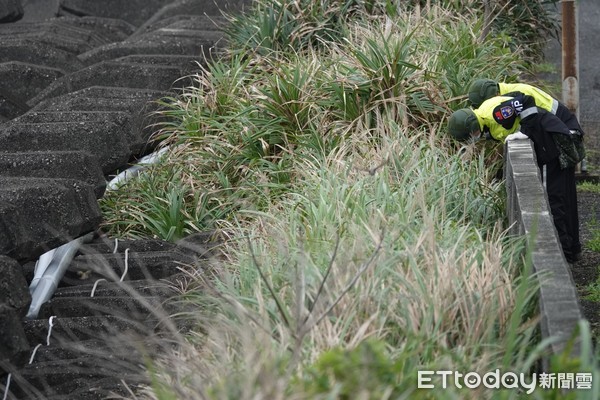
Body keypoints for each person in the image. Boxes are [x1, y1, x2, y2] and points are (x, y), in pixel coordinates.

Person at [447, 92, 583, 263]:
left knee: (553, 200)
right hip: (545, 143)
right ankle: (570, 250)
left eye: (471, 135)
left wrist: (524, 131)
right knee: (560, 197)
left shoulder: (496, 113)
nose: (473, 139)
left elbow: (526, 100)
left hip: (549, 142)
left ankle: (564, 255)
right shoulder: (485, 113)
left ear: (473, 127)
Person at [467, 78, 584, 135]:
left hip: (563, 129)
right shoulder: (510, 91)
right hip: (560, 125)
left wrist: (523, 133)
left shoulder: (516, 95)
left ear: (495, 95)